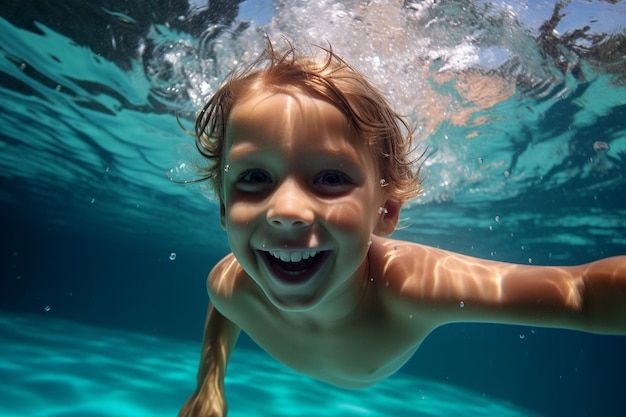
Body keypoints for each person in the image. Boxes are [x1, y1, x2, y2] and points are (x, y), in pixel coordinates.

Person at [178, 39, 626, 417]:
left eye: (331, 178)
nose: (287, 210)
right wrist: (210, 381)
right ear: (222, 205)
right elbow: (224, 306)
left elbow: (582, 293)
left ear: (386, 209)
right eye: (254, 178)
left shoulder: (409, 286)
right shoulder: (229, 283)